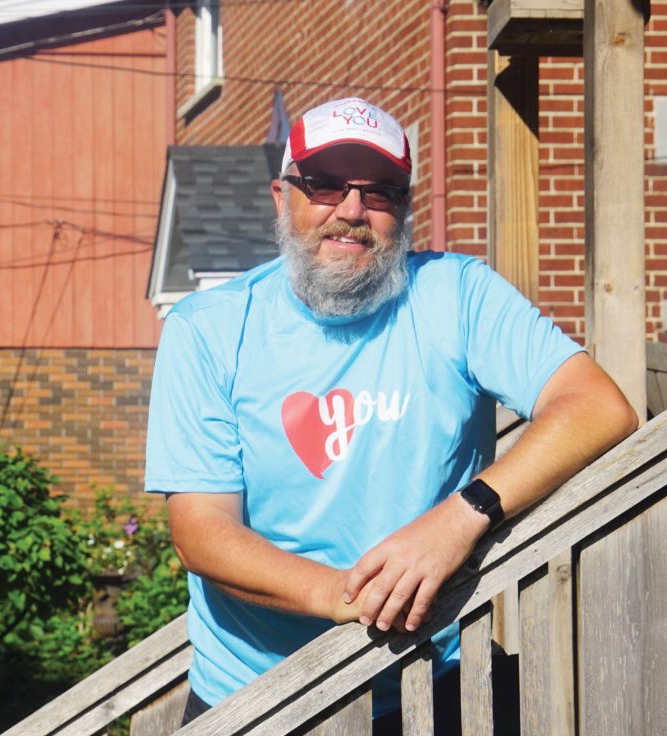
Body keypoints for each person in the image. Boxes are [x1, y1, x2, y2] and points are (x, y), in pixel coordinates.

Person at [144, 96, 637, 732]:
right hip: (257, 700)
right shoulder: (207, 329)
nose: (351, 211)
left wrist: (461, 518)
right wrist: (344, 594)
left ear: (405, 209)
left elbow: (599, 406)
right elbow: (202, 531)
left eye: (380, 192)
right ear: (280, 196)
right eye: (323, 185)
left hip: (434, 683)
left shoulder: (456, 294)